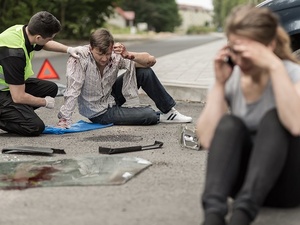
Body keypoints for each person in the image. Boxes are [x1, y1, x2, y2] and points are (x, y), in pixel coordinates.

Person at [196, 5, 300, 225]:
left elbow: (296, 125)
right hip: (241, 184)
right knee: (229, 124)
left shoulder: (292, 73)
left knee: (275, 119)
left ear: (269, 45)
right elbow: (206, 139)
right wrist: (219, 84)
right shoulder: (231, 76)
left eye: (248, 52)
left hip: (287, 186)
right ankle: (213, 215)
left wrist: (274, 64)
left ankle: (242, 217)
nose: (241, 61)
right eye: (235, 51)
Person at [57, 28, 192, 128]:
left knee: (145, 72)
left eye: (108, 54)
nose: (104, 59)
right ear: (91, 48)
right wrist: (64, 119)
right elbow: (72, 90)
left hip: (111, 96)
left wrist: (128, 55)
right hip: (98, 111)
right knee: (148, 115)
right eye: (100, 54)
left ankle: (169, 112)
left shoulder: (115, 54)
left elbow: (151, 60)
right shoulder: (80, 59)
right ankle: (152, 114)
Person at [0, 11, 86, 136]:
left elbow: (45, 44)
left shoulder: (24, 31)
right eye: (50, 38)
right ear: (39, 38)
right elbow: (18, 97)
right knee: (35, 127)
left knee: (51, 88)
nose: (51, 40)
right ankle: (11, 116)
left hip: (7, 87)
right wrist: (43, 102)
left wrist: (69, 49)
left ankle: (17, 113)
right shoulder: (14, 54)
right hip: (7, 92)